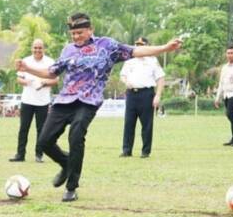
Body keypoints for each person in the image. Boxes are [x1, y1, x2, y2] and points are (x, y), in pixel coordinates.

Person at [16, 13, 181, 202]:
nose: (76, 37)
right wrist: (27, 69)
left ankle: (71, 187)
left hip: (87, 101)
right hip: (64, 100)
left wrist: (165, 48)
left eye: (80, 32)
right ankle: (67, 163)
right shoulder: (68, 50)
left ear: (90, 30)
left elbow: (136, 51)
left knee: (76, 136)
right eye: (73, 34)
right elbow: (51, 72)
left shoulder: (107, 45)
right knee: (44, 141)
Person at [10, 39, 56, 162]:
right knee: (23, 128)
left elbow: (55, 80)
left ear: (44, 49)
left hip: (43, 102)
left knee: (41, 129)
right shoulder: (25, 61)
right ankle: (20, 154)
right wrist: (28, 82)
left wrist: (45, 83)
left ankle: (39, 154)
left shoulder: (50, 62)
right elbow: (19, 79)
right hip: (27, 101)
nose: (37, 50)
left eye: (40, 48)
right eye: (35, 48)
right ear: (32, 48)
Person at [119, 37, 166, 158]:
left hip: (146, 94)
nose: (139, 47)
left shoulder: (152, 60)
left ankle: (145, 151)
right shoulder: (130, 60)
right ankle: (126, 150)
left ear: (147, 46)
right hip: (131, 94)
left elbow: (160, 78)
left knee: (147, 124)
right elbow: (123, 75)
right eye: (137, 45)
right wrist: (126, 82)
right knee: (129, 123)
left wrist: (158, 95)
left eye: (142, 45)